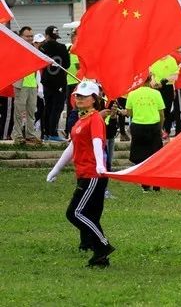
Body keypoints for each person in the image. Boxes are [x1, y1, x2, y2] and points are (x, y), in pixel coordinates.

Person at [46, 81, 115, 267]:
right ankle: (101, 258)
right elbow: (72, 147)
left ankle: (102, 246)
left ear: (94, 99)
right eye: (77, 95)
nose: (79, 99)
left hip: (93, 174)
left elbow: (98, 142)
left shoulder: (95, 119)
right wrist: (56, 169)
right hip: (84, 173)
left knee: (74, 213)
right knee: (90, 215)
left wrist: (100, 165)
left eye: (84, 96)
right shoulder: (80, 120)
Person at [127, 76, 166, 192]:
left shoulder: (132, 94)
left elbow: (129, 112)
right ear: (150, 80)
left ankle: (145, 184)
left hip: (138, 126)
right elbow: (161, 114)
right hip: (153, 126)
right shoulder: (156, 93)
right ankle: (156, 184)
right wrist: (160, 127)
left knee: (140, 156)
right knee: (156, 155)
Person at [39, 25, 69, 142]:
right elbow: (66, 64)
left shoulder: (42, 47)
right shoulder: (62, 47)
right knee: (57, 108)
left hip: (46, 82)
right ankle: (53, 133)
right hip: (59, 83)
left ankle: (46, 133)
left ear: (46, 35)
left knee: (48, 107)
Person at [12, 27, 40, 145]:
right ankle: (17, 136)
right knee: (19, 112)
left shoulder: (33, 49)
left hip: (32, 84)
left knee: (31, 112)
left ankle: (30, 135)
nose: (30, 38)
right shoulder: (17, 48)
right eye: (27, 36)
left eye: (31, 36)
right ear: (21, 36)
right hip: (21, 84)